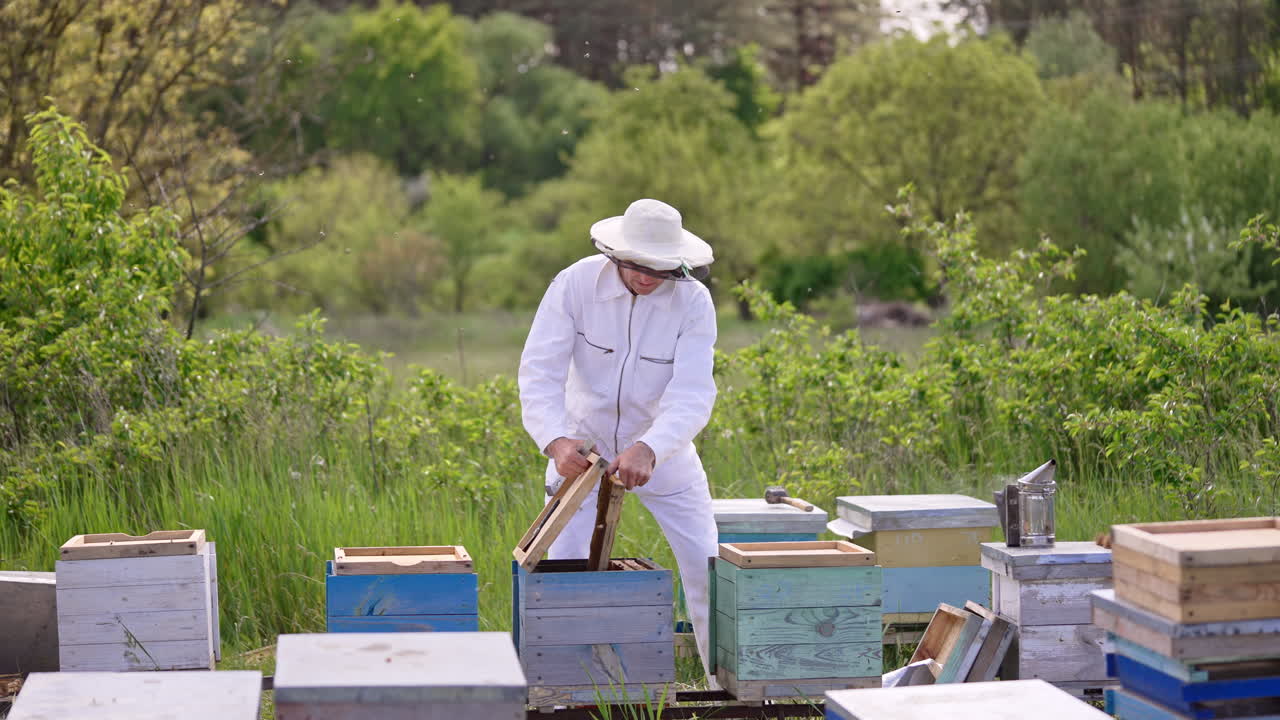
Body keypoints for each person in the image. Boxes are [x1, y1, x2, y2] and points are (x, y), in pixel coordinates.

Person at [518, 198, 720, 677]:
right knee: (562, 574)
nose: (648, 277)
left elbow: (693, 392)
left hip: (662, 452)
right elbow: (539, 372)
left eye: (661, 268)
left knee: (708, 566)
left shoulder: (694, 301)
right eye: (638, 265)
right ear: (615, 254)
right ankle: (564, 692)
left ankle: (728, 683)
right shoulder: (573, 284)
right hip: (580, 452)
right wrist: (555, 441)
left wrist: (651, 447)